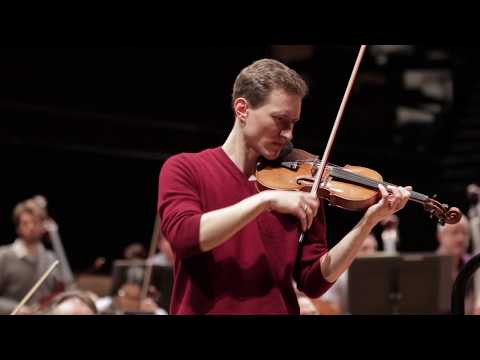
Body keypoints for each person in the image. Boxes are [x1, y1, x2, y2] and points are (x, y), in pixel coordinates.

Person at [157, 58, 411, 314]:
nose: (289, 134)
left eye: (293, 123)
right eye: (280, 119)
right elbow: (184, 237)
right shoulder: (185, 168)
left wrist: (367, 222)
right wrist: (264, 201)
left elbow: (313, 281)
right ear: (242, 109)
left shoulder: (301, 182)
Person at [0, 199, 66, 314]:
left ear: (43, 225)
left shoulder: (50, 258)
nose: (31, 227)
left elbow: (62, 292)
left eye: (35, 222)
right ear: (18, 227)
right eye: (25, 223)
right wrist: (15, 308)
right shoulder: (4, 256)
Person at [312, 234, 378, 315]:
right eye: (364, 248)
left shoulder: (380, 276)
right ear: (353, 250)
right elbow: (330, 308)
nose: (371, 253)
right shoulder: (339, 275)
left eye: (374, 248)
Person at [436, 215, 476, 314]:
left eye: (465, 233)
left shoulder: (473, 265)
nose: (460, 238)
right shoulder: (429, 267)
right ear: (440, 236)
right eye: (455, 232)